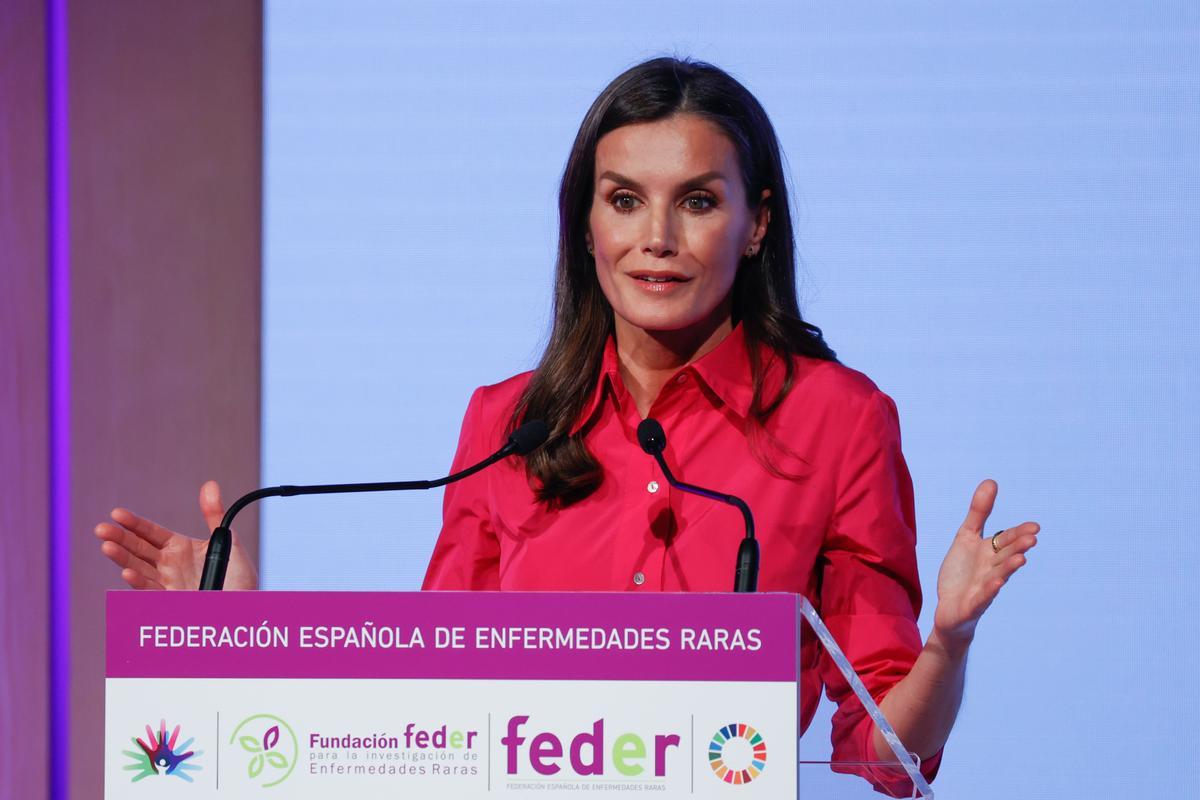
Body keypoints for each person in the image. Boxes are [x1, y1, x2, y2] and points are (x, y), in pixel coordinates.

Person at [95, 57, 1040, 796]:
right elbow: (430, 711)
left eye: (698, 201)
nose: (656, 238)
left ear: (755, 224)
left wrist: (947, 645)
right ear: (587, 227)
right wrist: (239, 638)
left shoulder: (839, 419)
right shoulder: (507, 423)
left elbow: (881, 756)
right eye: (624, 200)